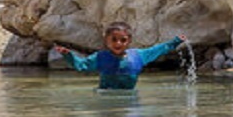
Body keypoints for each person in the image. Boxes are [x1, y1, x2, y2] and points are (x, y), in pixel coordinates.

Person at [54, 21, 186, 90]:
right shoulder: (100, 57)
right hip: (105, 97)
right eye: (114, 39)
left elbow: (158, 49)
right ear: (106, 40)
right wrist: (68, 56)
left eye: (123, 40)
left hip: (129, 98)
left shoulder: (138, 56)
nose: (118, 43)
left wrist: (175, 41)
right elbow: (81, 65)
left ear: (129, 41)